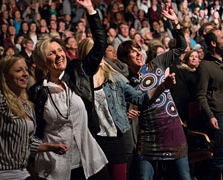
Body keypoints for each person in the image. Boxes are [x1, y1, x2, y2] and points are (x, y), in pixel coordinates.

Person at [29, 0, 111, 179]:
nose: (58, 55)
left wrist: (90, 10)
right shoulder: (37, 92)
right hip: (56, 165)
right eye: (52, 53)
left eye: (60, 50)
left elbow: (100, 44)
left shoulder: (78, 71)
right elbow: (35, 131)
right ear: (43, 61)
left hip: (90, 159)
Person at [78, 37, 176, 180]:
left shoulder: (114, 78)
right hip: (93, 142)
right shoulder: (78, 83)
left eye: (99, 51)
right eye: (92, 52)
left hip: (116, 141)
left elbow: (140, 99)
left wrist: (162, 87)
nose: (97, 55)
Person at [117, 6, 190, 180]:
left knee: (184, 177)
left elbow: (181, 47)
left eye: (137, 49)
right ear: (124, 60)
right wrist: (126, 113)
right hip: (149, 135)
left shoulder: (156, 63)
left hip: (172, 129)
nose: (137, 53)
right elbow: (120, 109)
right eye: (131, 52)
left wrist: (175, 23)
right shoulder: (126, 83)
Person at [0, 47, 68, 180]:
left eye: (26, 70)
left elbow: (28, 141)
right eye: (18, 70)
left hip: (22, 171)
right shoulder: (0, 101)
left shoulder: (27, 105)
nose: (25, 74)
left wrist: (51, 147)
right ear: (5, 76)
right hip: (1, 172)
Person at [196, 28, 223, 180]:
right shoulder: (205, 66)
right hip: (218, 114)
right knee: (219, 158)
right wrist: (210, 116)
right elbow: (201, 95)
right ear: (213, 43)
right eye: (222, 37)